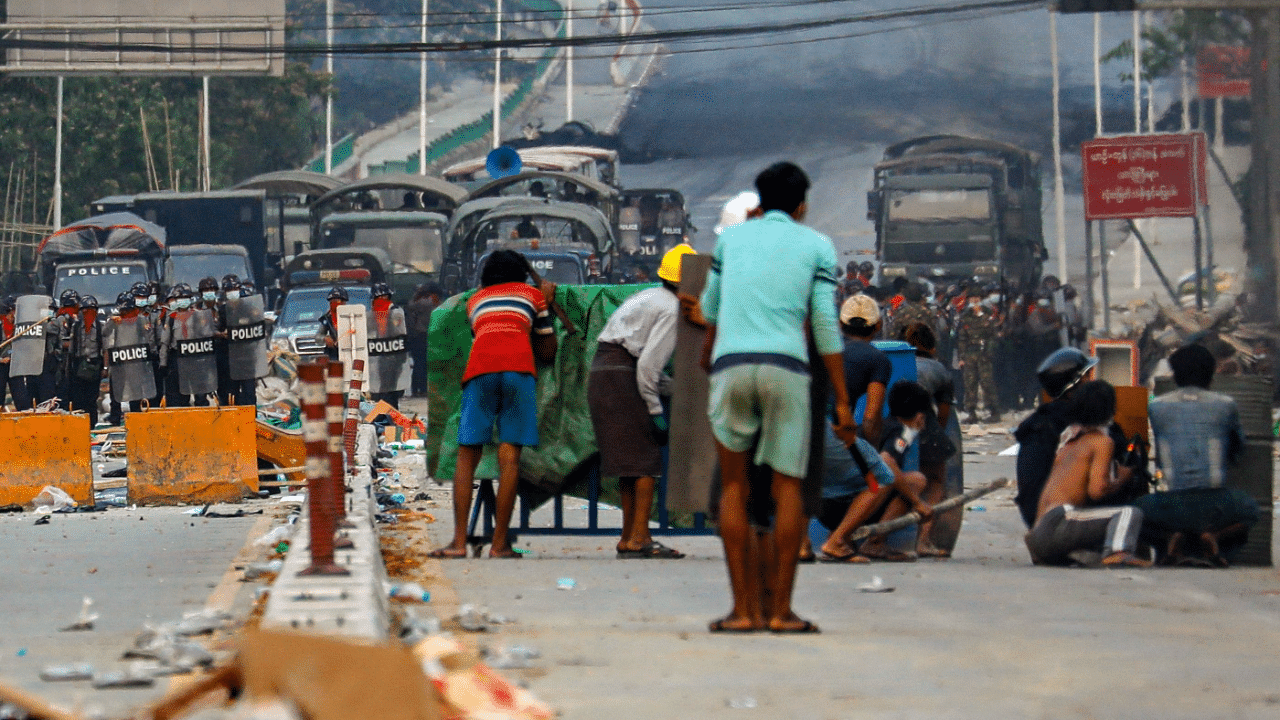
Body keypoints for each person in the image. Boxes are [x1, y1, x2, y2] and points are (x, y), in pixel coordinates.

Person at [698, 161, 856, 634]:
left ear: (759, 202)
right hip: (788, 367)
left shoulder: (730, 241)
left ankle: (743, 611)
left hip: (731, 365)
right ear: (802, 205)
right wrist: (843, 401)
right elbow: (826, 328)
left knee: (733, 486)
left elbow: (710, 309)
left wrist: (712, 350)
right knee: (787, 488)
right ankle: (781, 612)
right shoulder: (817, 246)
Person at [430, 250, 557, 560]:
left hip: (480, 371)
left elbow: (482, 336)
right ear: (522, 274)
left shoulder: (475, 301)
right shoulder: (532, 295)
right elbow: (548, 352)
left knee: (466, 456)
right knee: (509, 458)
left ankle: (458, 542)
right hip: (518, 370)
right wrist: (548, 303)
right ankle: (500, 544)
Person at [588, 244, 694, 560]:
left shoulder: (649, 296)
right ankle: (641, 537)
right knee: (646, 462)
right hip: (623, 377)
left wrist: (674, 388)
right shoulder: (672, 309)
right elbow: (648, 367)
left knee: (628, 465)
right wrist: (657, 411)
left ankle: (628, 536)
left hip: (605, 372)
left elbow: (646, 363)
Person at [1140, 344, 1259, 566]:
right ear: (1211, 374)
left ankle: (1171, 538)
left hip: (1172, 505)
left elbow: (1162, 449)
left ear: (1175, 374)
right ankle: (1214, 537)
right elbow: (1238, 447)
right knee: (1250, 508)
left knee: (1136, 510)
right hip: (1215, 505)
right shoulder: (1225, 405)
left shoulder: (1157, 407)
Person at [1024, 380, 1151, 568]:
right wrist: (1122, 478)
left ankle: (1068, 554)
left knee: (1088, 524)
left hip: (1036, 535)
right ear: (1110, 410)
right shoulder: (1101, 442)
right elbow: (1097, 491)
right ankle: (1118, 551)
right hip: (1059, 520)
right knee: (1129, 513)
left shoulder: (1068, 439)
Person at [818, 381, 934, 563]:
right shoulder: (901, 432)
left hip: (827, 504)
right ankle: (875, 542)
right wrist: (917, 502)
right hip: (847, 503)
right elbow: (886, 461)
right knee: (914, 481)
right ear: (919, 417)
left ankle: (840, 535)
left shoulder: (881, 426)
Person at [1013, 347, 1098, 527]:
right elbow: (1100, 487)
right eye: (1087, 377)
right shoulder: (1079, 423)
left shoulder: (1038, 422)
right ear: (1075, 385)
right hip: (1060, 519)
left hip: (1035, 519)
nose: (1092, 382)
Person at [901, 321, 957, 557]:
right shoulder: (940, 371)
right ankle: (923, 540)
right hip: (926, 428)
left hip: (896, 428)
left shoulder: (894, 362)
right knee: (934, 481)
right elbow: (943, 415)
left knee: (898, 481)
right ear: (932, 347)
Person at [956, 286, 1001, 423]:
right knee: (970, 383)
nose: (975, 301)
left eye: (977, 298)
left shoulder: (988, 314)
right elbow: (962, 339)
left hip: (983, 353)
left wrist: (989, 351)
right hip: (970, 354)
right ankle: (971, 412)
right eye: (972, 298)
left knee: (987, 383)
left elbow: (993, 335)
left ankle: (993, 411)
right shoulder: (965, 316)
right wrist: (961, 357)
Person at [366, 281, 410, 409]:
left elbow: (399, 331)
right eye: (378, 298)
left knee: (390, 391)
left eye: (383, 297)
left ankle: (390, 418)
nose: (381, 300)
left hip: (393, 356)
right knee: (381, 390)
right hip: (379, 356)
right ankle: (386, 417)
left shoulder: (395, 312)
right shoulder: (373, 313)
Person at [69, 295, 103, 426]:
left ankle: (92, 426)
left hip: (94, 366)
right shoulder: (76, 327)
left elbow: (104, 348)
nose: (87, 313)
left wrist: (104, 368)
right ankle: (80, 426)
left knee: (91, 400)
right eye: (84, 311)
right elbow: (72, 349)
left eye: (90, 310)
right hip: (79, 366)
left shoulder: (100, 327)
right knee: (78, 399)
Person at [405, 284, 442, 397]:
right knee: (425, 364)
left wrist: (418, 293)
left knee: (419, 364)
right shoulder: (432, 302)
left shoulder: (419, 302)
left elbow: (411, 306)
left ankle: (417, 389)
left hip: (418, 336)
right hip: (428, 335)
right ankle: (424, 389)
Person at [317, 286, 349, 362]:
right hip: (333, 354)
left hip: (349, 351)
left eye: (337, 301)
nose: (334, 304)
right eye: (332, 301)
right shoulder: (327, 319)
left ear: (344, 302)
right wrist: (325, 339)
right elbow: (318, 337)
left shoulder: (352, 316)